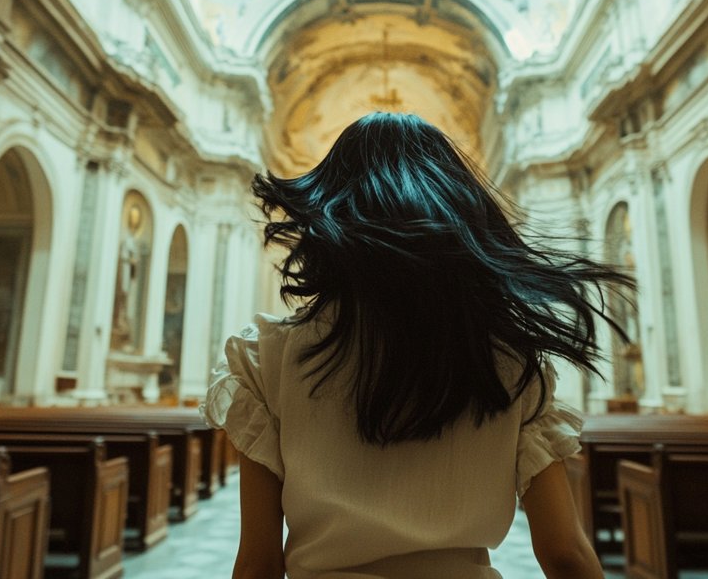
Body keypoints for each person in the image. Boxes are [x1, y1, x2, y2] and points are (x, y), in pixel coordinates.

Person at [204, 112, 633, 579]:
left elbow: (258, 563)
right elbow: (566, 553)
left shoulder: (268, 360)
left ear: (331, 213)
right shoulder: (509, 364)